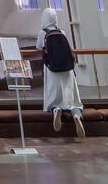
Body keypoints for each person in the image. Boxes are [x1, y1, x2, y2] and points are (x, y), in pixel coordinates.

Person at [36, 8, 84, 137]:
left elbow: (39, 47)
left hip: (52, 69)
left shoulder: (42, 33)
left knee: (54, 97)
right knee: (73, 99)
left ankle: (56, 110)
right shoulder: (61, 31)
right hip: (67, 69)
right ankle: (76, 115)